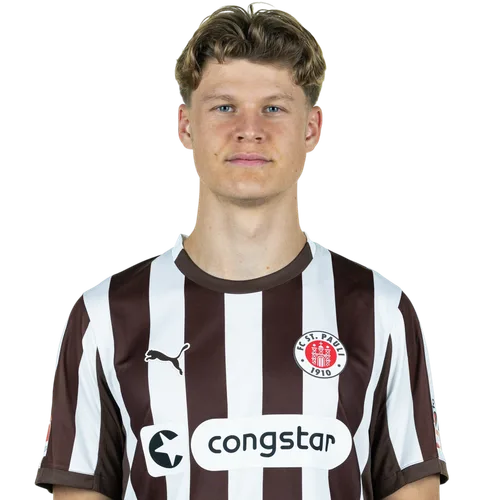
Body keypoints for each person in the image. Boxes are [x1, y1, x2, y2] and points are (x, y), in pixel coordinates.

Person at [34, 1, 449, 498]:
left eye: (273, 108)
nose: (249, 129)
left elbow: (412, 488)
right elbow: (80, 490)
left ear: (312, 128)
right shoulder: (106, 315)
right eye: (224, 106)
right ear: (185, 126)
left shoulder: (378, 311)